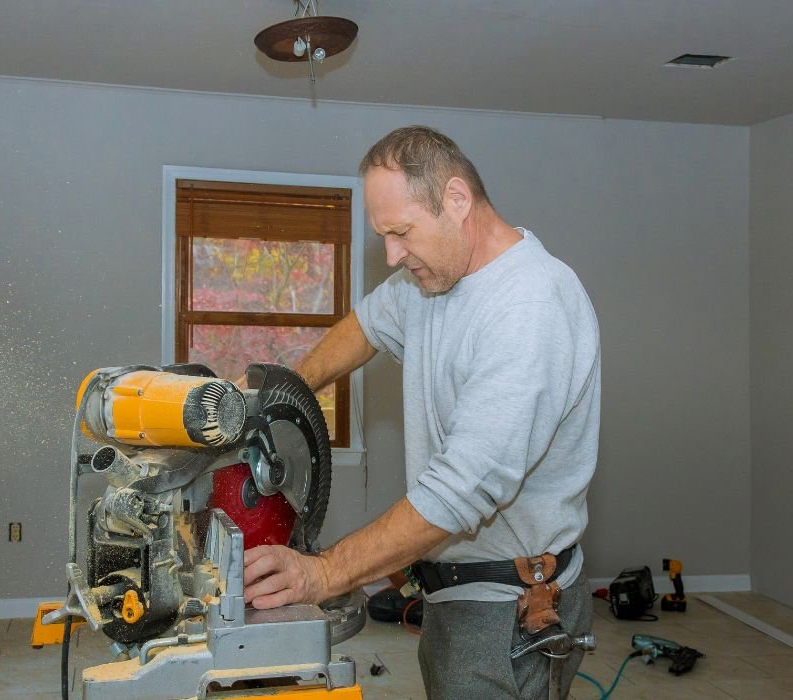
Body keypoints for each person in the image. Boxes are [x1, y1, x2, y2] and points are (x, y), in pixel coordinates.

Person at [242, 125, 601, 699]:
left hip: (506, 608)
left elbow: (460, 491)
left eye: (401, 232)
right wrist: (274, 395)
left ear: (457, 201)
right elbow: (365, 326)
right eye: (384, 235)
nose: (392, 254)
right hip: (456, 595)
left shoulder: (530, 306)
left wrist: (323, 573)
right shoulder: (432, 279)